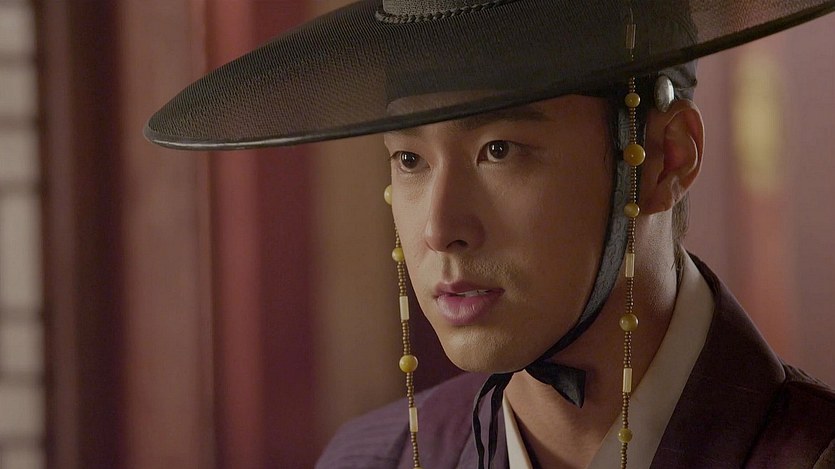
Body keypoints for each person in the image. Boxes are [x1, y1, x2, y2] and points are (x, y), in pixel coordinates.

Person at [146, 1, 835, 467]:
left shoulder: (805, 450)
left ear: (663, 158)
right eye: (409, 159)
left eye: (498, 150)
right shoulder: (373, 458)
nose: (439, 228)